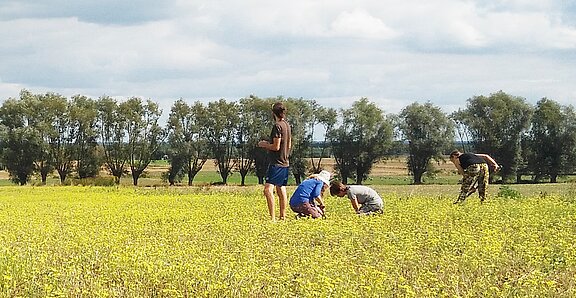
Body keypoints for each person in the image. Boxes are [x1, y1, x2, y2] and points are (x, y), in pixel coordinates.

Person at [258, 102, 292, 220]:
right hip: (285, 161)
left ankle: (272, 218)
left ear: (273, 113)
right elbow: (289, 144)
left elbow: (276, 146)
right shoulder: (287, 125)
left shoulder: (277, 126)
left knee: (268, 189)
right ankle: (283, 216)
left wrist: (264, 144)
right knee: (281, 187)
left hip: (276, 163)